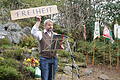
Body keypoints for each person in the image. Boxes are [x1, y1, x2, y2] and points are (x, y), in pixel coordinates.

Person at [31, 16, 58, 80]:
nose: (51, 26)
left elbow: (58, 45)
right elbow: (33, 32)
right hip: (44, 59)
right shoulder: (40, 34)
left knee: (52, 78)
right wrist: (38, 21)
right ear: (45, 26)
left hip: (54, 59)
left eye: (52, 25)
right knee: (45, 78)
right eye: (49, 25)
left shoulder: (55, 35)